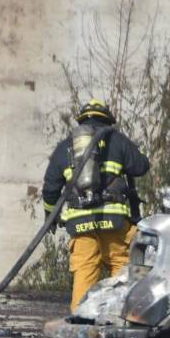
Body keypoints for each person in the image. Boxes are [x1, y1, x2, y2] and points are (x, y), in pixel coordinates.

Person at [41, 99, 150, 311]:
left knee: (84, 272)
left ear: (82, 119)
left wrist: (50, 215)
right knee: (122, 270)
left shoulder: (65, 147)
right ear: (107, 120)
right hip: (114, 222)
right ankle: (122, 318)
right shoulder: (117, 140)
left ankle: (79, 323)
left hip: (80, 224)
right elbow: (141, 166)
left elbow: (50, 187)